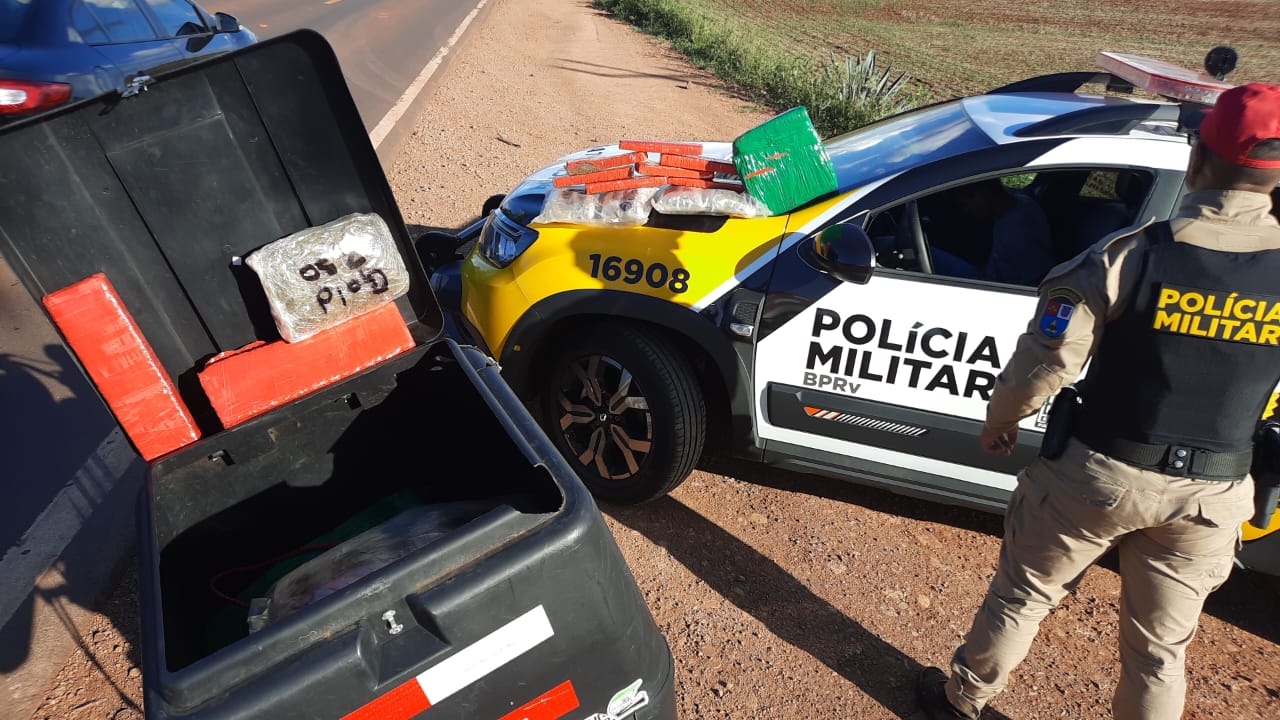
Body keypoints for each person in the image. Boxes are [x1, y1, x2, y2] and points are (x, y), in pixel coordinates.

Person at [916, 82, 1280, 720]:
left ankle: (962, 702)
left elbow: (1048, 362)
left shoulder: (1128, 259)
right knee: (1160, 651)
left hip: (1100, 473)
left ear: (1198, 158)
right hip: (1212, 495)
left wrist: (1002, 421)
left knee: (1025, 594)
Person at [929, 178, 1056, 286]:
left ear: (980, 196)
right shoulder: (1020, 202)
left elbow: (1034, 279)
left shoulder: (1017, 232)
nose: (966, 211)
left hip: (992, 286)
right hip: (991, 275)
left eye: (965, 205)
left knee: (931, 254)